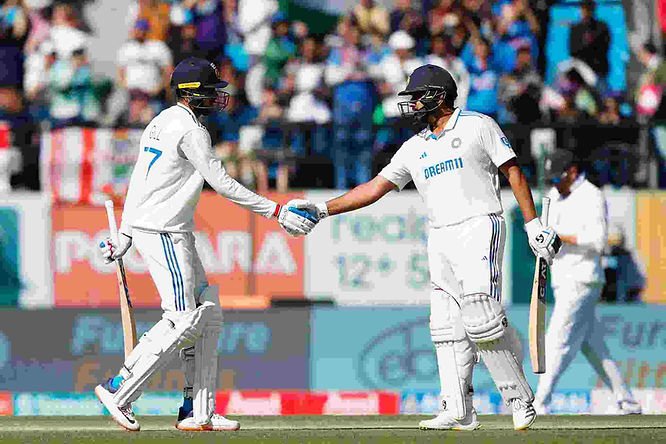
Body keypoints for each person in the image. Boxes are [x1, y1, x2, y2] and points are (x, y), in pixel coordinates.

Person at [294, 64, 561, 431]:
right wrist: (323, 209)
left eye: (417, 97)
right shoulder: (413, 147)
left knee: (480, 317)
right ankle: (458, 409)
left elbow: (512, 171)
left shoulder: (477, 125)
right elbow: (373, 188)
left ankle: (518, 398)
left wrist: (532, 225)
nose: (412, 104)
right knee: (445, 325)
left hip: (480, 223)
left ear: (438, 95)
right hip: (440, 235)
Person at [94, 57, 315, 432]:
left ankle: (197, 410)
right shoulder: (191, 131)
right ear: (192, 93)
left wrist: (126, 236)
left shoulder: (161, 120)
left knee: (208, 314)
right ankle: (120, 388)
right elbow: (223, 183)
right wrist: (275, 211)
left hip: (166, 229)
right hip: (163, 231)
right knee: (183, 317)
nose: (217, 97)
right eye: (211, 91)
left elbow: (138, 181)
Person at [533, 150, 642, 415]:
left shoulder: (591, 195)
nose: (554, 183)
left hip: (583, 278)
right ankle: (627, 401)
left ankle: (540, 402)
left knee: (557, 339)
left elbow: (598, 240)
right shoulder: (554, 197)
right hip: (562, 278)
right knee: (593, 345)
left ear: (572, 171)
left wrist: (559, 237)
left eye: (557, 177)